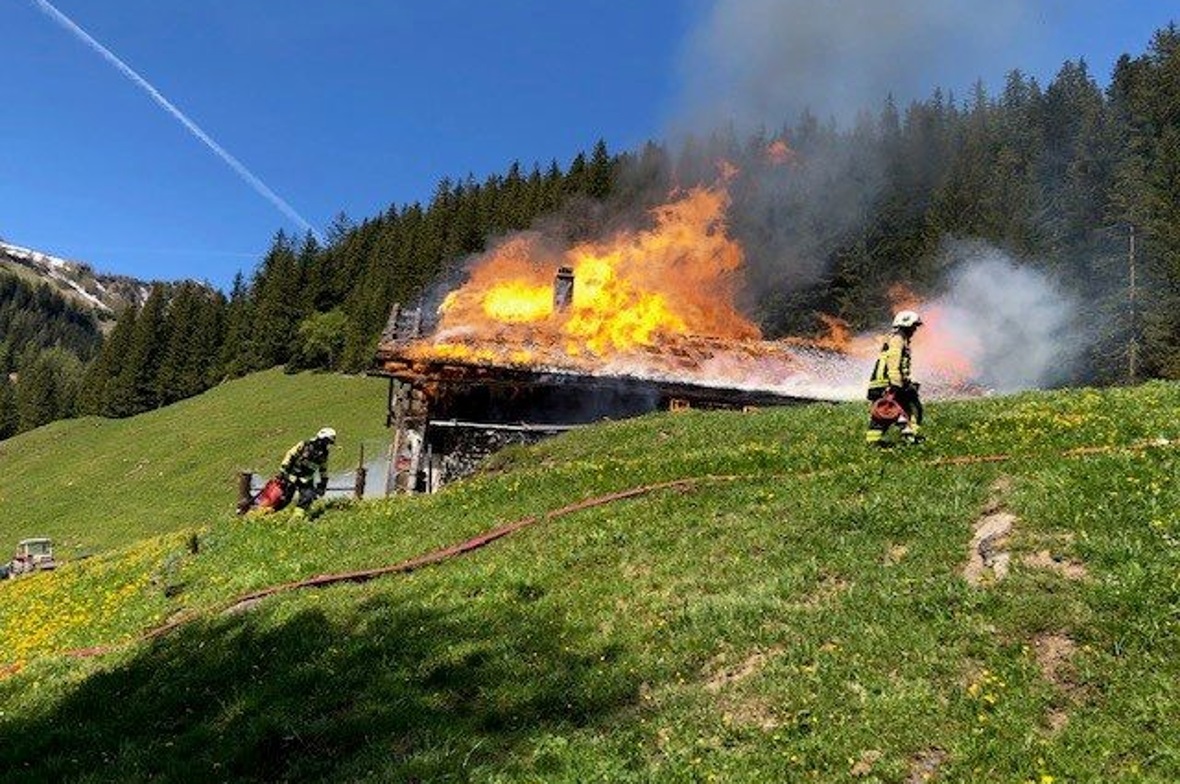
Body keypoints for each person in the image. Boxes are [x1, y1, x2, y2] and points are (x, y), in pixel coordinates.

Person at [866, 310, 924, 445]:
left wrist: (907, 381)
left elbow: (900, 365)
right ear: (906, 325)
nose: (915, 329)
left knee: (892, 411)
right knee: (887, 412)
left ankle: (906, 436)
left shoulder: (900, 338)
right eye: (913, 326)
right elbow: (894, 361)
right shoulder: (898, 339)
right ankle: (905, 437)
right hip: (887, 382)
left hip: (885, 382)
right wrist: (895, 383)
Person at [279, 427, 336, 509]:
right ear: (321, 439)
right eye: (327, 441)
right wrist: (283, 469)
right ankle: (267, 513)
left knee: (308, 497)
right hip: (292, 475)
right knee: (285, 498)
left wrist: (323, 482)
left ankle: (297, 519)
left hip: (306, 478)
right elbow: (290, 454)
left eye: (330, 442)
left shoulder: (324, 453)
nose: (328, 444)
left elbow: (323, 468)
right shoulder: (304, 445)